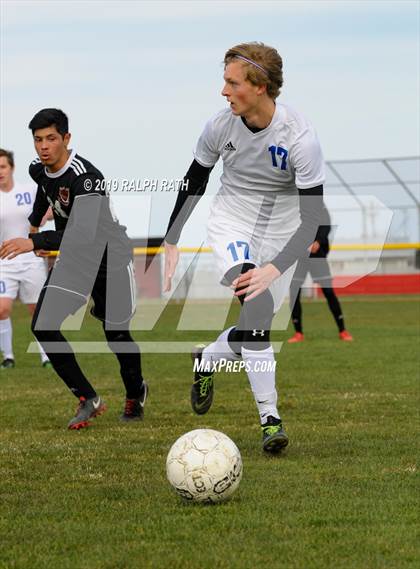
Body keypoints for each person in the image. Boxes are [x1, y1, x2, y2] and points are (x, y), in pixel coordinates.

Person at [163, 42, 327, 453]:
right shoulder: (220, 126)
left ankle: (207, 359)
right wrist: (171, 238)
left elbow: (311, 219)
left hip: (284, 232)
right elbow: (194, 180)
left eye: (232, 82)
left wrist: (275, 267)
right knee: (254, 312)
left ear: (260, 87)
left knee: (254, 328)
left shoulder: (301, 138)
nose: (223, 91)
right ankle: (270, 420)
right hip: (232, 222)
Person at [0, 109, 147, 429]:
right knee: (43, 325)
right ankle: (88, 398)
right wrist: (35, 221)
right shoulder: (38, 169)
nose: (43, 146)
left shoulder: (86, 177)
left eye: (51, 138)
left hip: (109, 258)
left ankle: (135, 394)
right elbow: (45, 189)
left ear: (66, 138)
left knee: (116, 333)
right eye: (38, 140)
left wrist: (35, 241)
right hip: (75, 260)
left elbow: (84, 235)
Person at [0, 148, 52, 369]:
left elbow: (50, 208)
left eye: (2, 166)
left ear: (11, 168)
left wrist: (47, 218)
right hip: (4, 261)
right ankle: (8, 356)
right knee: (1, 309)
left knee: (37, 310)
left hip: (31, 258)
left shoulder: (30, 190)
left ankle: (46, 357)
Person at [288, 207, 353, 343]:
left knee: (328, 292)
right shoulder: (292, 207)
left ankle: (343, 330)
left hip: (318, 256)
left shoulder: (319, 206)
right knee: (294, 292)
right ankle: (298, 333)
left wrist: (318, 241)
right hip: (299, 257)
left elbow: (326, 226)